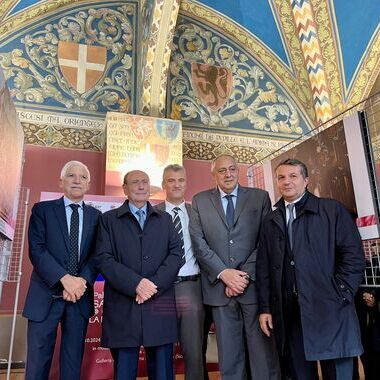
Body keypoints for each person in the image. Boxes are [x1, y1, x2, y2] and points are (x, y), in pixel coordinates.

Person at [257, 158, 365, 380]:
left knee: (338, 372)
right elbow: (264, 267)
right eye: (281, 177)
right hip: (290, 313)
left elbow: (353, 256)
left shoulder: (331, 210)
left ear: (306, 180)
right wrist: (266, 308)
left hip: (330, 308)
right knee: (298, 373)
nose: (287, 182)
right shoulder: (270, 219)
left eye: (293, 176)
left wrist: (341, 291)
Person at [189, 154, 280, 380]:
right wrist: (224, 274)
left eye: (232, 169)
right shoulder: (200, 200)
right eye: (222, 170)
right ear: (213, 174)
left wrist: (241, 276)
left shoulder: (260, 198)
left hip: (253, 288)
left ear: (238, 171)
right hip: (219, 289)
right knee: (229, 355)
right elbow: (198, 243)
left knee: (261, 353)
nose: (228, 174)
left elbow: (265, 241)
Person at [95, 170, 182, 380]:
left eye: (145, 182)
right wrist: (136, 284)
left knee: (163, 370)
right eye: (135, 182)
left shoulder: (165, 219)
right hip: (124, 305)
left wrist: (152, 285)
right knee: (124, 370)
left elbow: (176, 255)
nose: (141, 186)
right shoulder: (108, 220)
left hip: (159, 301)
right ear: (125, 188)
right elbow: (103, 258)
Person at [23, 160, 101, 380]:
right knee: (38, 361)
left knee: (72, 361)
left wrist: (80, 282)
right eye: (71, 175)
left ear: (88, 184)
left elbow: (97, 255)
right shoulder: (42, 210)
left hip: (79, 297)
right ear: (61, 182)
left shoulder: (97, 217)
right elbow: (37, 250)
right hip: (44, 296)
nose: (77, 180)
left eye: (83, 177)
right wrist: (65, 279)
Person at [155, 164, 208, 379]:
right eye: (171, 180)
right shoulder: (152, 212)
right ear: (163, 184)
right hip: (161, 289)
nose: (176, 185)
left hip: (191, 287)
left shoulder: (197, 212)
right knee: (160, 348)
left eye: (181, 180)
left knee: (193, 350)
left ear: (186, 183)